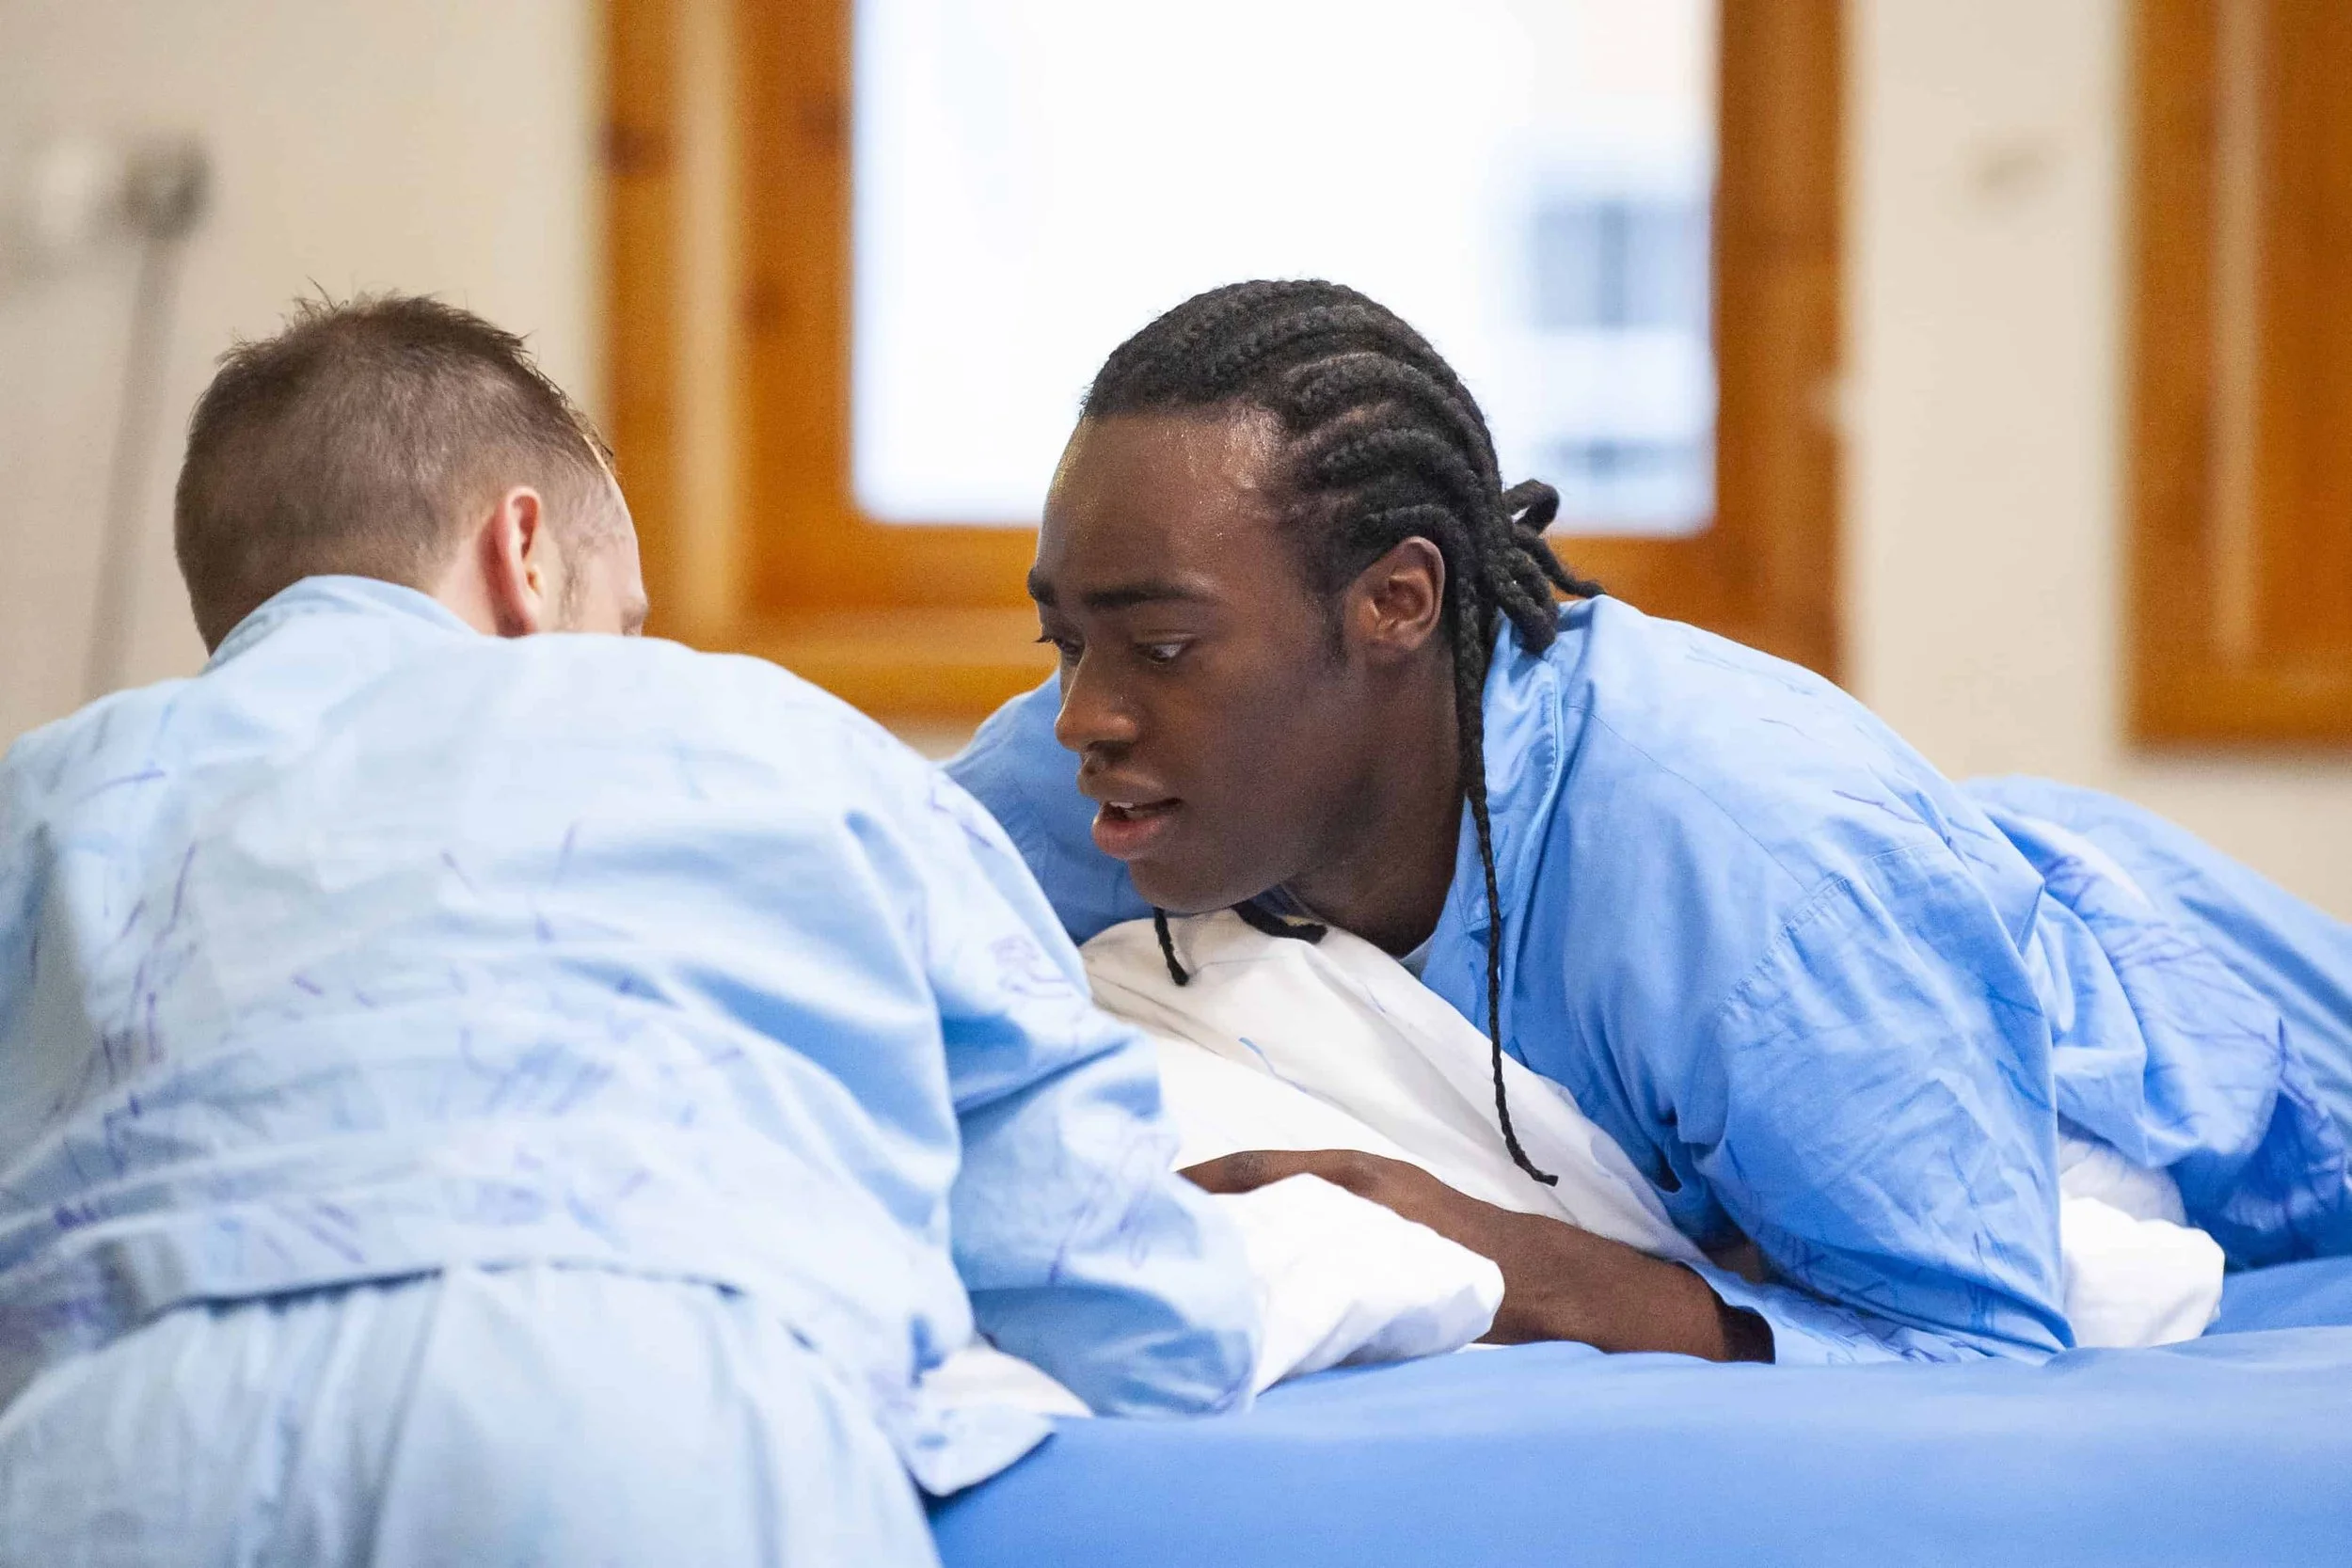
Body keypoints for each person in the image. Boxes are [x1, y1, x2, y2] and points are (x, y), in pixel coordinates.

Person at [0, 295, 1257, 1564]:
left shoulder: (49, 798)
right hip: (639, 1409)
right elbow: (1108, 1273)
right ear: (523, 553)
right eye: (627, 620)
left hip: (113, 1450)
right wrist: (1235, 1311)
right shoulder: (777, 742)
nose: (636, 650)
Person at [946, 278, 2352, 1367]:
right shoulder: (1099, 772)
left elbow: (1975, 1355)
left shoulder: (1757, 882)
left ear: (1397, 603)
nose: (1083, 715)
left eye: (1163, 647)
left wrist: (1516, 1262)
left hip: (2222, 1050)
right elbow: (864, 937)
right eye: (1063, 641)